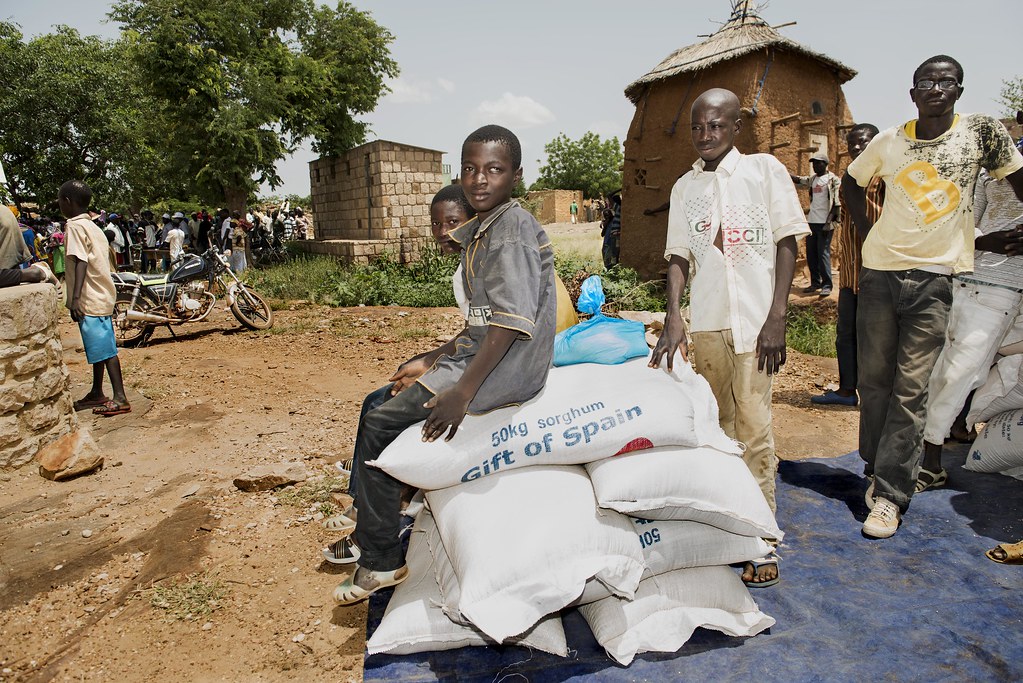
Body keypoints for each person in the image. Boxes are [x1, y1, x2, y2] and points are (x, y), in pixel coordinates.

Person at [331, 125, 557, 605]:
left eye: (494, 170)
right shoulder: (484, 231)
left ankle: (380, 560)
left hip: (504, 369)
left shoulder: (511, 229)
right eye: (471, 169)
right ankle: (375, 521)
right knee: (382, 404)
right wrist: (434, 362)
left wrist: (460, 393)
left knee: (379, 422)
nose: (480, 179)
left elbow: (507, 326)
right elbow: (479, 324)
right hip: (481, 359)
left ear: (516, 176)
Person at [844, 55, 1023, 539]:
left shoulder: (980, 134)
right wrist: (867, 233)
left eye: (947, 81)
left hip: (935, 280)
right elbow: (852, 184)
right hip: (880, 274)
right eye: (927, 81)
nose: (937, 88)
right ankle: (874, 465)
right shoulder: (890, 141)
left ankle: (889, 496)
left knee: (913, 388)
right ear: (912, 93)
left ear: (960, 90)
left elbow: (1019, 182)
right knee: (875, 381)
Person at [649, 88, 809, 588]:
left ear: (736, 127)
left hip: (758, 324)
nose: (706, 135)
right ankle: (727, 529)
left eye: (716, 126)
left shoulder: (764, 171)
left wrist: (777, 315)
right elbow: (678, 258)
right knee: (718, 429)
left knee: (755, 427)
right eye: (698, 127)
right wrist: (675, 317)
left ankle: (761, 537)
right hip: (709, 323)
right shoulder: (684, 188)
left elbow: (787, 244)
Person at [919, 138, 1023, 492]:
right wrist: (988, 241)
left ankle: (939, 447)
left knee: (967, 372)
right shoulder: (992, 172)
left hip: (1005, 293)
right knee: (948, 369)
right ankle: (928, 454)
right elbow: (962, 225)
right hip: (970, 280)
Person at [811, 124, 884, 407]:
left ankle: (875, 395)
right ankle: (846, 390)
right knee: (845, 334)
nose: (856, 148)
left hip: (877, 272)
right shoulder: (849, 177)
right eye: (852, 143)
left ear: (876, 143)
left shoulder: (886, 178)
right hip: (851, 274)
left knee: (876, 338)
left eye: (862, 142)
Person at [58, 180, 131, 417]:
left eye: (60, 200)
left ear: (68, 201)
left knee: (106, 349)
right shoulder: (93, 226)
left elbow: (80, 260)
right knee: (99, 346)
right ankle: (97, 391)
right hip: (102, 293)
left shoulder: (75, 226)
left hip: (90, 296)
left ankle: (120, 397)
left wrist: (76, 297)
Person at [790, 150, 841, 297]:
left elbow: (837, 204)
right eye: (813, 163)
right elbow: (799, 180)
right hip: (812, 222)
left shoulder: (833, 180)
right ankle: (815, 283)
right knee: (811, 254)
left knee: (822, 253)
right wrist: (784, 173)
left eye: (818, 163)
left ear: (825, 164)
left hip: (825, 223)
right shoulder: (813, 180)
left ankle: (827, 285)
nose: (815, 166)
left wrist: (829, 222)